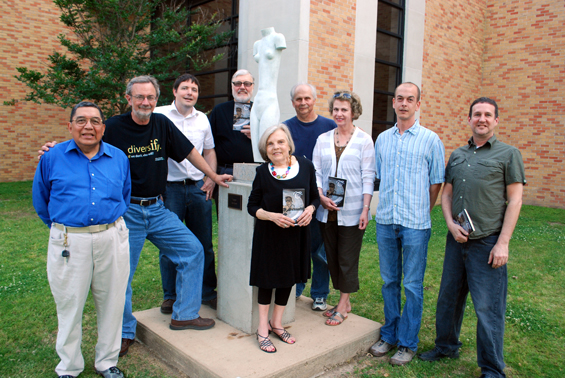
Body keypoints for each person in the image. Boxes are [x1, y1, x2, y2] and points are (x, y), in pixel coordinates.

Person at [39, 76, 233, 358]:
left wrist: (212, 175)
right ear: (128, 98)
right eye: (139, 97)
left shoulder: (162, 123)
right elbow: (86, 140)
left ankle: (185, 314)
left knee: (193, 250)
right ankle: (124, 332)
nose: (146, 102)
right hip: (127, 211)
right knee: (121, 276)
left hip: (157, 208)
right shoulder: (115, 127)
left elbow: (190, 151)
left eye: (150, 98)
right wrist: (55, 149)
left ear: (157, 99)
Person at [419, 97, 525, 378]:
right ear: (469, 119)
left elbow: (515, 200)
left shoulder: (508, 154)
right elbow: (448, 194)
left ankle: (491, 368)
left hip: (487, 242)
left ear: (496, 121)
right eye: (477, 114)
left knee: (488, 308)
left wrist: (503, 243)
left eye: (488, 115)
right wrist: (451, 225)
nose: (482, 119)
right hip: (457, 240)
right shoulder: (458, 154)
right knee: (448, 299)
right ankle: (446, 346)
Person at [33, 102, 130, 378]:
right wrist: (63, 229)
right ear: (70, 126)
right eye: (81, 120)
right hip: (69, 241)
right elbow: (42, 201)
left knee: (112, 302)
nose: (89, 126)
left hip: (111, 237)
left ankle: (107, 362)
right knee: (69, 303)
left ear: (103, 127)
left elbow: (124, 194)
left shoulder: (119, 158)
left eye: (95, 121)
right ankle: (69, 366)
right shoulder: (52, 157)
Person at [369, 82, 445, 366]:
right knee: (390, 282)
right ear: (393, 102)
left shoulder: (430, 140)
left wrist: (424, 211)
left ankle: (407, 342)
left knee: (412, 285)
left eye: (409, 99)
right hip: (387, 221)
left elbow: (436, 181)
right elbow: (378, 176)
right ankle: (389, 335)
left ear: (418, 104)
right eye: (399, 98)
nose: (404, 103)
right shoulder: (383, 139)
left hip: (415, 224)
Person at [247, 124, 320, 353]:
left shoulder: (306, 166)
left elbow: (315, 198)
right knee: (267, 280)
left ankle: (277, 324)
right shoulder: (262, 172)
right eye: (270, 143)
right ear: (265, 149)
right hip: (269, 235)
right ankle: (262, 329)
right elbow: (252, 206)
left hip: (296, 235)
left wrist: (310, 209)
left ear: (289, 144)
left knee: (288, 278)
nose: (275, 147)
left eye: (280, 142)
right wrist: (270, 216)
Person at [154, 74, 218, 312]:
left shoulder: (202, 119)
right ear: (174, 91)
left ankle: (207, 292)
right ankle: (170, 295)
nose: (190, 92)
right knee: (168, 245)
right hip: (169, 190)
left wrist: (210, 178)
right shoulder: (159, 115)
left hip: (198, 188)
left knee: (204, 243)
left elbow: (209, 151)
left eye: (194, 89)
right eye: (185, 88)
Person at [312, 90, 376, 326]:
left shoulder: (364, 140)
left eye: (344, 110)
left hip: (352, 211)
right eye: (336, 109)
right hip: (326, 209)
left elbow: (368, 176)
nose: (339, 114)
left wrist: (365, 209)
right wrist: (320, 196)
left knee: (347, 258)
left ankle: (342, 304)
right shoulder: (323, 139)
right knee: (332, 257)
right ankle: (344, 302)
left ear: (353, 112)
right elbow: (316, 172)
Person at [283, 83, 336, 311]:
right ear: (293, 102)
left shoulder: (329, 126)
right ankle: (295, 287)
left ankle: (320, 293)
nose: (303, 103)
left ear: (314, 100)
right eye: (298, 99)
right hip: (293, 195)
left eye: (307, 98)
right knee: (293, 246)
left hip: (321, 195)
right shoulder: (285, 127)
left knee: (318, 248)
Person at [209, 69, 256, 214]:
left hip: (254, 172)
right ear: (232, 86)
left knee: (253, 217)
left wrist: (257, 137)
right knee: (226, 216)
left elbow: (273, 143)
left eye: (247, 83)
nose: (242, 87)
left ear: (252, 86)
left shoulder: (260, 111)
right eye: (238, 83)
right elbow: (209, 146)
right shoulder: (219, 110)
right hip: (225, 172)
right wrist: (210, 175)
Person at [250, 27, 286, 162]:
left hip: (270, 100)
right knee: (256, 153)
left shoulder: (278, 38)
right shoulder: (257, 44)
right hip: (258, 100)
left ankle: (267, 177)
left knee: (267, 149)